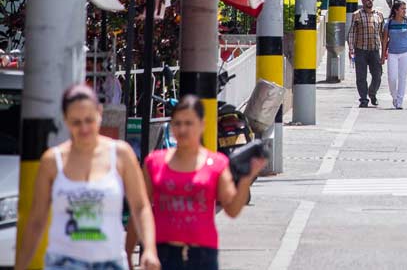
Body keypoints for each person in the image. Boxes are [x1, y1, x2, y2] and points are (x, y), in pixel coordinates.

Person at [16, 84, 160, 270]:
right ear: (65, 120)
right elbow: (37, 220)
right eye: (76, 122)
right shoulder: (52, 161)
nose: (84, 128)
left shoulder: (121, 154)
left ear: (99, 112)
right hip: (63, 263)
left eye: (89, 120)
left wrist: (149, 249)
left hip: (110, 262)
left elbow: (140, 207)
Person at [144, 97, 265, 270]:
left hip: (203, 254)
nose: (183, 129)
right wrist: (141, 249)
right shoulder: (154, 162)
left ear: (202, 125)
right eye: (177, 123)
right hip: (164, 252)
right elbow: (141, 208)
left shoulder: (217, 163)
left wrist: (246, 179)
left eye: (189, 123)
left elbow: (232, 209)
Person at [347, 0, 385, 107]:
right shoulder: (357, 15)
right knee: (361, 76)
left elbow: (383, 34)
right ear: (363, 0)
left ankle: (372, 92)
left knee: (378, 75)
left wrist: (384, 51)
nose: (370, 1)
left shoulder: (379, 15)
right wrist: (351, 48)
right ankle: (363, 99)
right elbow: (352, 32)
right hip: (361, 50)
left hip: (374, 50)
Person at [383, 1, 407, 110]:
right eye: (402, 9)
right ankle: (394, 96)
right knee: (392, 77)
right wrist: (383, 55)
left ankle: (400, 101)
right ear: (396, 10)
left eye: (405, 9)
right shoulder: (389, 24)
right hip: (392, 53)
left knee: (402, 77)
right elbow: (384, 40)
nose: (404, 11)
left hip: (406, 52)